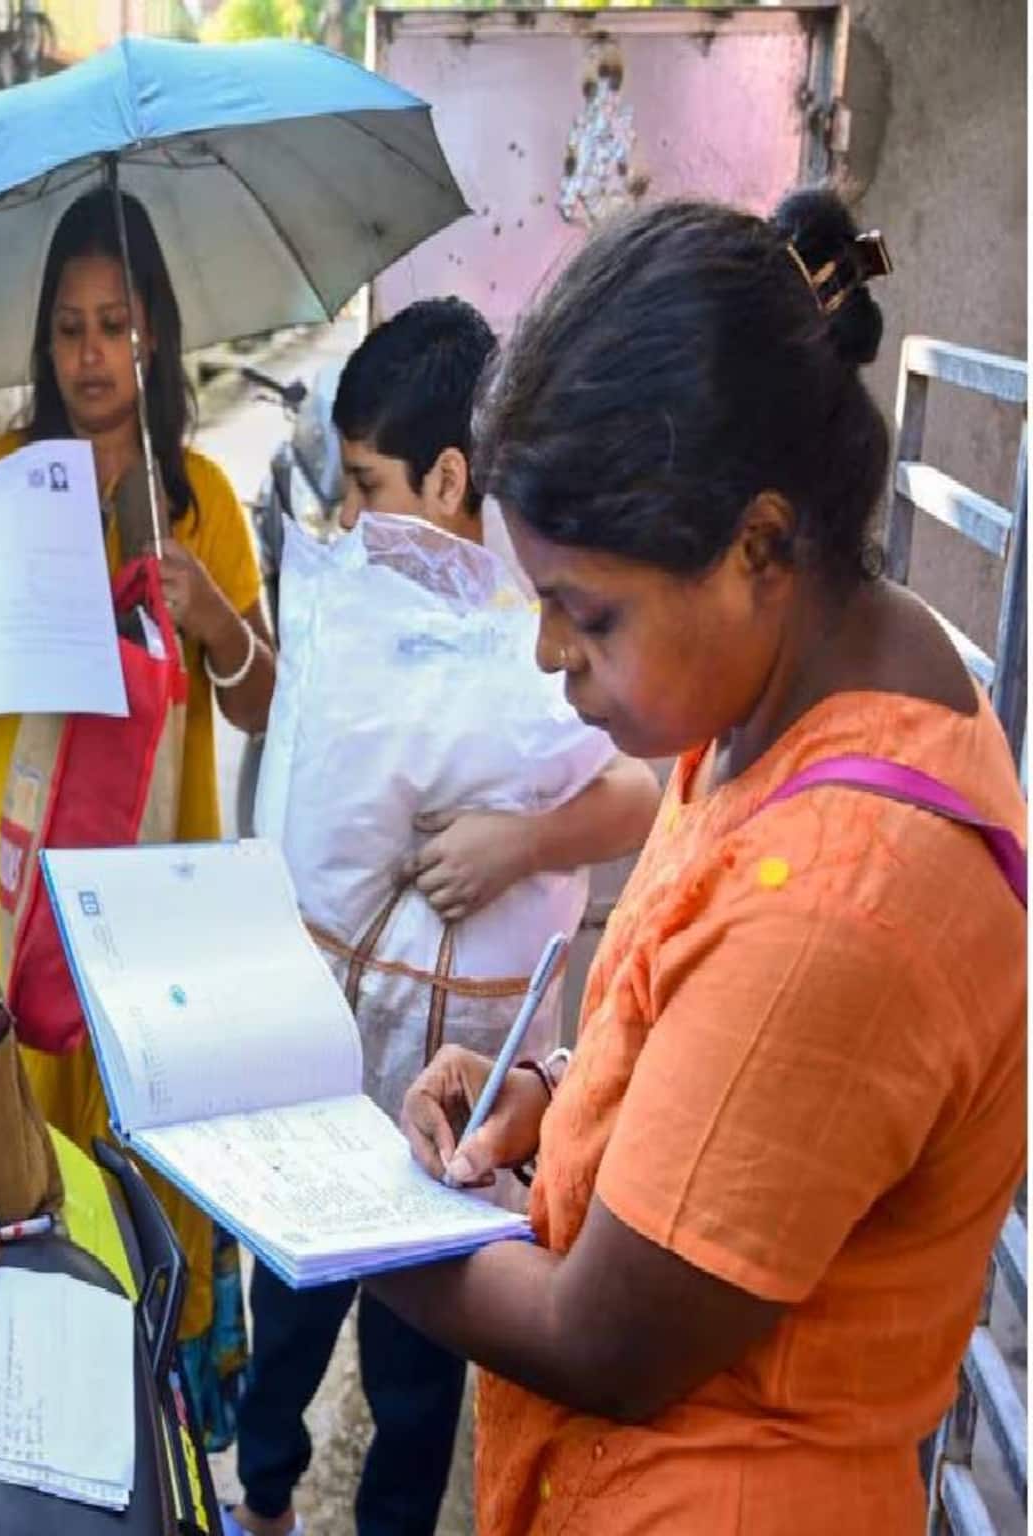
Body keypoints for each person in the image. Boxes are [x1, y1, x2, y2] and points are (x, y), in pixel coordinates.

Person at [359, 192, 1026, 1535]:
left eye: (583, 615)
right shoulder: (769, 704)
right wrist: (550, 1093)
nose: (550, 658)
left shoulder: (842, 901)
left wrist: (346, 1219)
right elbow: (709, 1058)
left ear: (760, 548)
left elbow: (609, 1338)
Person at [231, 299, 661, 1536]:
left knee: (418, 1376)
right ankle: (261, 1497)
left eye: (370, 485)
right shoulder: (347, 604)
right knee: (289, 1311)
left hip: (454, 1090)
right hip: (320, 1066)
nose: (353, 519)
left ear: (450, 475)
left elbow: (639, 788)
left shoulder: (535, 624)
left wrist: (519, 839)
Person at [0, 188, 276, 1448]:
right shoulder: (7, 480)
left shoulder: (204, 499)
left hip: (163, 913)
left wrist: (214, 619)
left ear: (154, 335)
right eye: (66, 329)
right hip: (27, 912)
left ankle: (156, 1446)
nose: (88, 357)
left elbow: (265, 694)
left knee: (150, 1159)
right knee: (38, 1167)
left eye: (113, 326)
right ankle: (48, 1436)